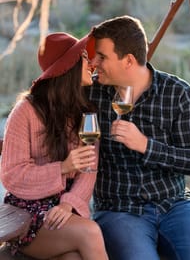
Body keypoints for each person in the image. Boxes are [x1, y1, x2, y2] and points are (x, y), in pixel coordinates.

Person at [86, 15, 190, 260]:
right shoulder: (90, 94)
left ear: (128, 60)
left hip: (174, 204)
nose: (94, 63)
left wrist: (146, 146)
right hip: (119, 210)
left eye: (102, 56)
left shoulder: (177, 94)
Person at [0, 32, 109, 260]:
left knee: (73, 258)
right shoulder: (25, 113)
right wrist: (62, 167)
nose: (91, 63)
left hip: (62, 211)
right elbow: (12, 175)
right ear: (67, 67)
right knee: (91, 233)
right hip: (26, 215)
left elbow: (89, 171)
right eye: (84, 57)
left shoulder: (85, 112)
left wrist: (68, 205)